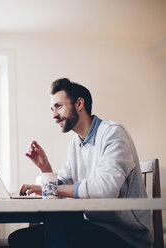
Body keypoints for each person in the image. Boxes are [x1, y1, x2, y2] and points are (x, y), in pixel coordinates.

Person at [8, 78, 153, 248]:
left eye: (59, 106)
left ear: (79, 104)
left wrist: (52, 188)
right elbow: (63, 182)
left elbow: (105, 189)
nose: (54, 115)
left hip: (126, 235)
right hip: (95, 226)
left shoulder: (113, 133)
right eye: (52, 109)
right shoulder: (76, 144)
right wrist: (45, 168)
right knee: (22, 238)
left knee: (33, 239)